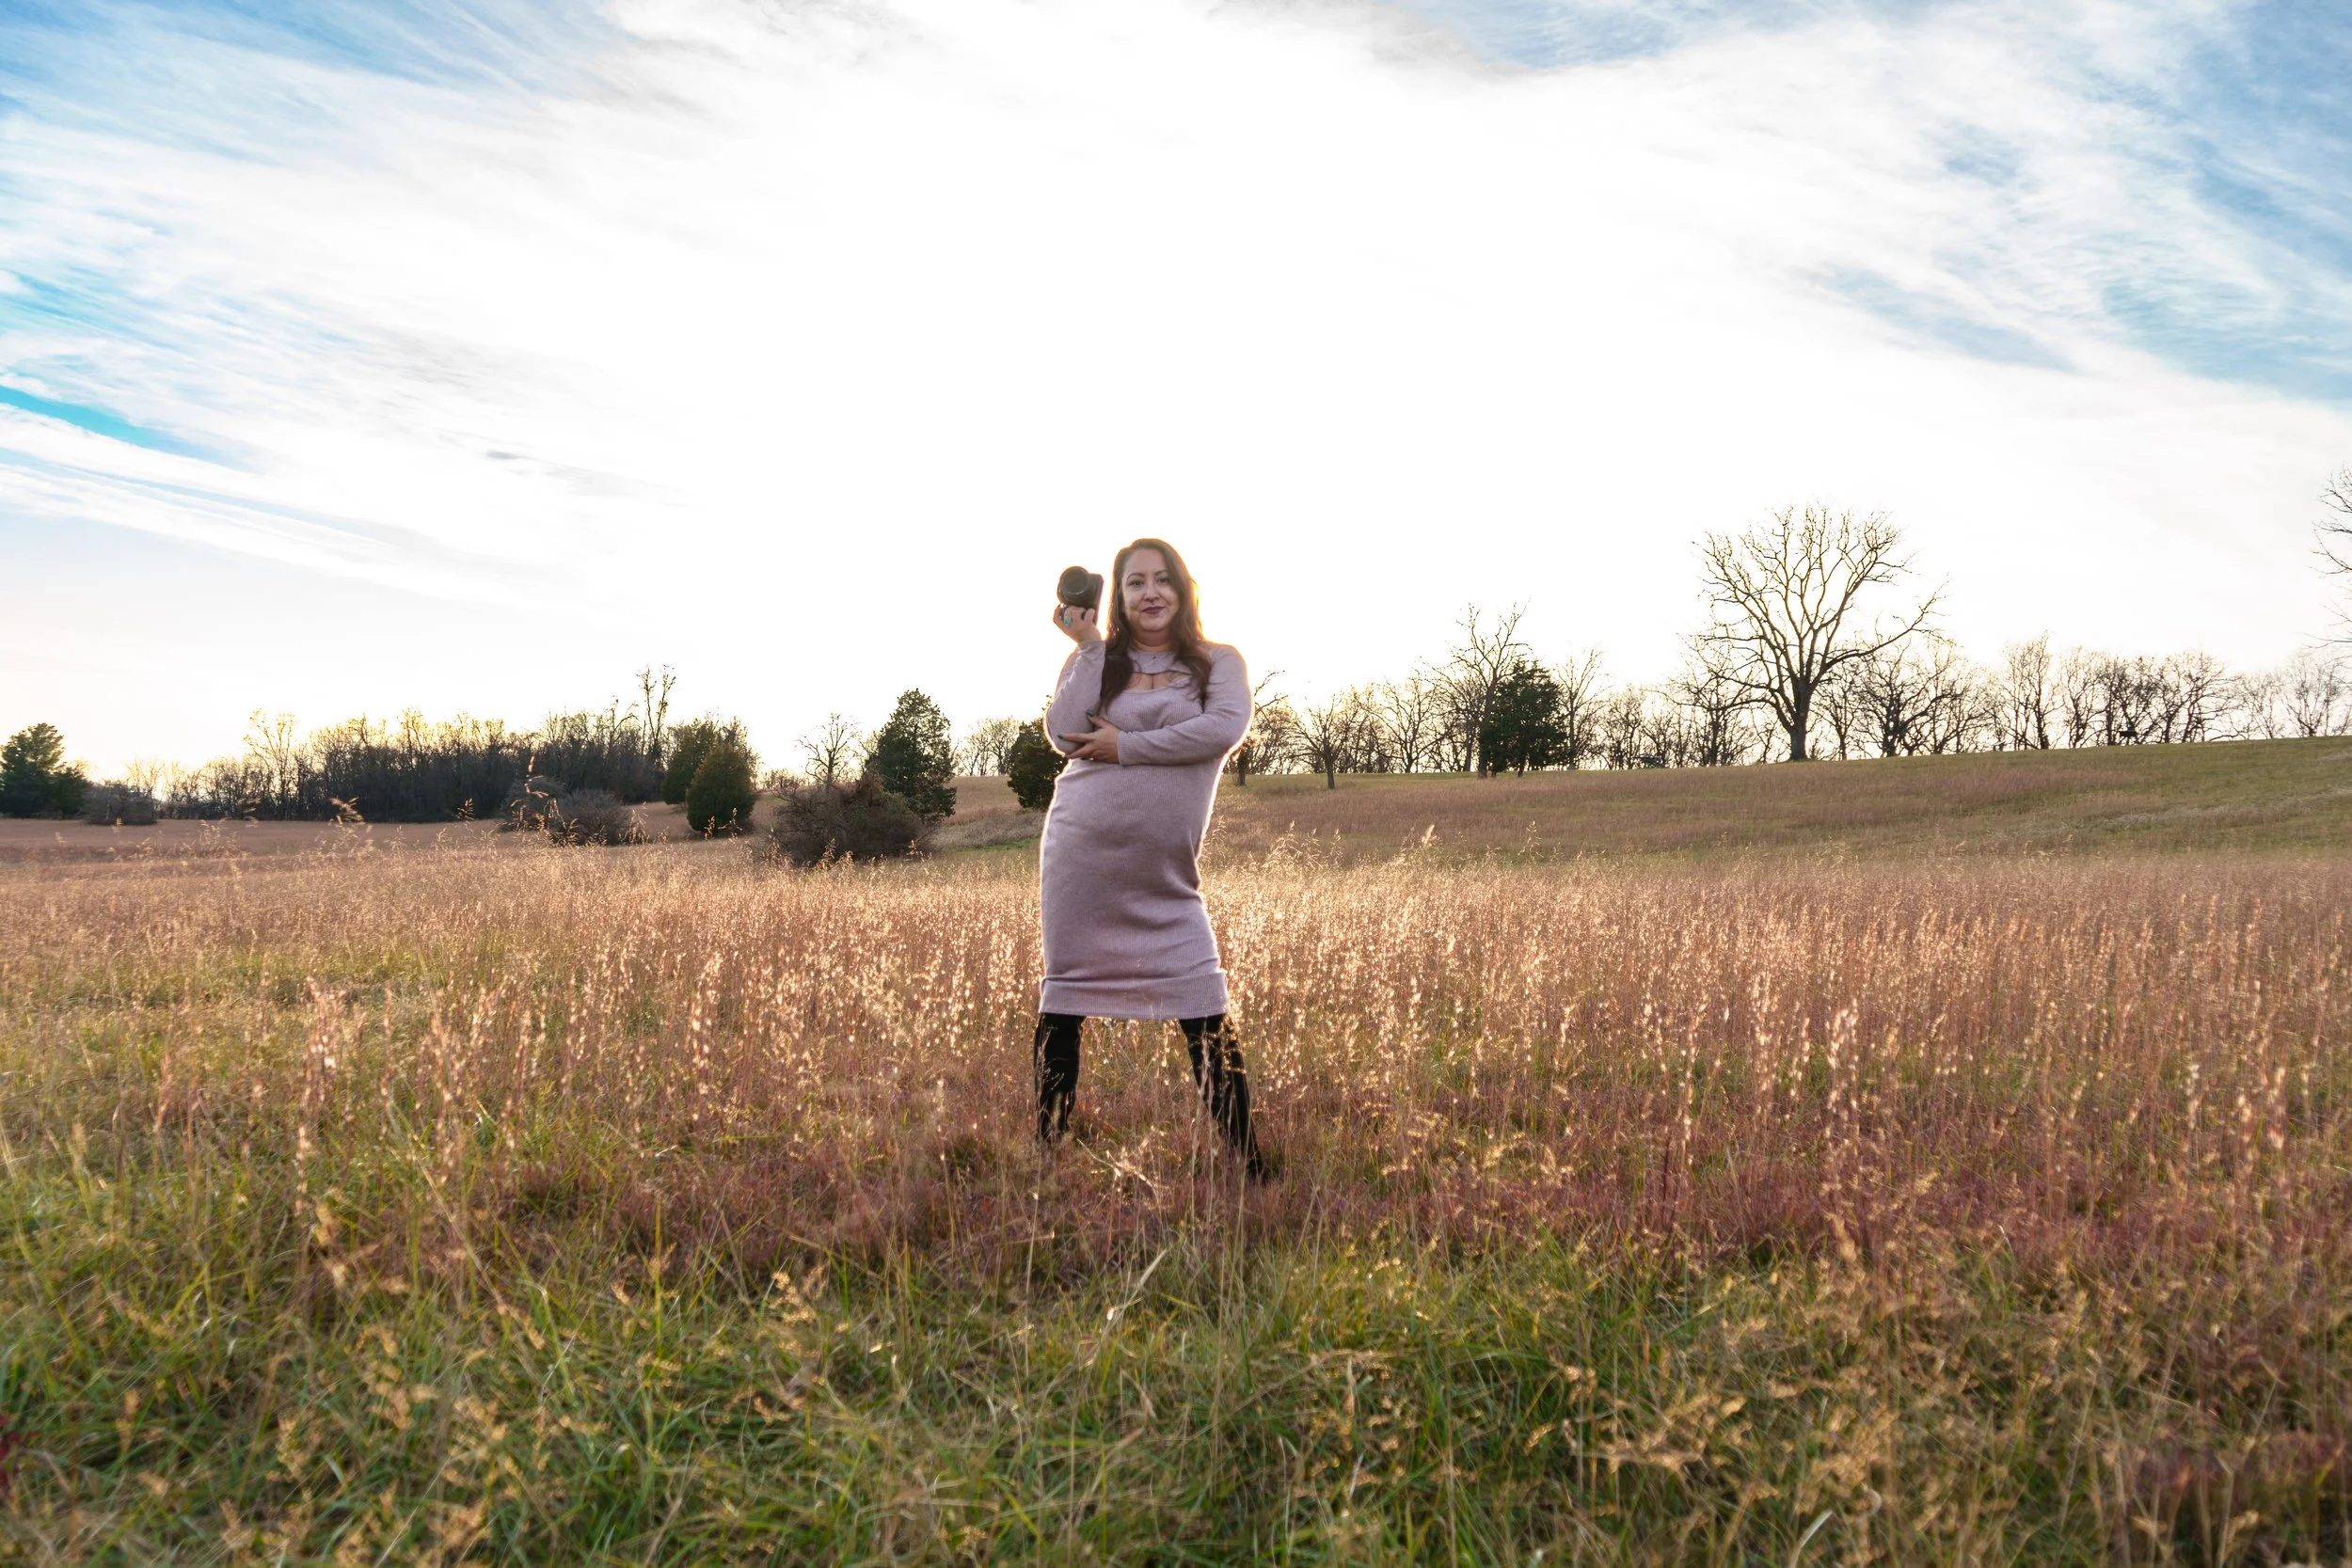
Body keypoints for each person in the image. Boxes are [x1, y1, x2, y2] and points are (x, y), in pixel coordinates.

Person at [1035, 537, 1264, 1177]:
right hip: (1081, 856)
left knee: (1203, 1005)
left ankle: (1250, 1166)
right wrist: (1084, 650)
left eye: (1162, 579)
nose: (1150, 592)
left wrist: (1124, 746)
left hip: (1167, 879)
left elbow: (1222, 728)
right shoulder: (1099, 659)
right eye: (1135, 582)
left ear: (1184, 587)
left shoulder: (1219, 662)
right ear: (1119, 594)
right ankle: (1045, 1158)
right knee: (1064, 1002)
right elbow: (1061, 732)